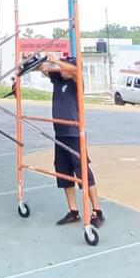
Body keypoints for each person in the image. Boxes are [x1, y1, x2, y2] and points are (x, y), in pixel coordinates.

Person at [39, 52, 104, 227]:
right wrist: (35, 60)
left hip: (74, 134)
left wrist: (55, 61)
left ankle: (97, 210)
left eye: (64, 66)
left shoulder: (76, 82)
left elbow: (74, 70)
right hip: (59, 133)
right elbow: (43, 68)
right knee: (64, 173)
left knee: (83, 172)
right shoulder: (58, 80)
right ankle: (73, 211)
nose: (61, 68)